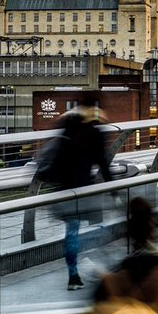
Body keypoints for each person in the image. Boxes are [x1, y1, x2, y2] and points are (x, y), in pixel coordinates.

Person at [37, 91, 114, 290]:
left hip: (63, 188)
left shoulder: (66, 127)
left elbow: (52, 152)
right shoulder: (95, 132)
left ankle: (73, 275)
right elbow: (103, 163)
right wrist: (114, 189)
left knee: (72, 231)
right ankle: (101, 270)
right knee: (98, 228)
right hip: (84, 188)